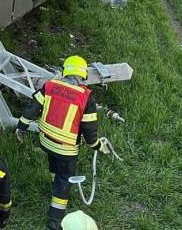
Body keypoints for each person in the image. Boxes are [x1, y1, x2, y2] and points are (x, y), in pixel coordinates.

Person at [15, 55, 111, 230]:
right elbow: (90, 132)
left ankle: (54, 185)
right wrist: (98, 146)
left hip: (45, 141)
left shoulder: (50, 86)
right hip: (66, 150)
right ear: (83, 75)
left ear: (65, 71)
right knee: (64, 179)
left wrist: (21, 126)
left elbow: (31, 108)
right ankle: (54, 218)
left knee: (54, 164)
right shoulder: (86, 98)